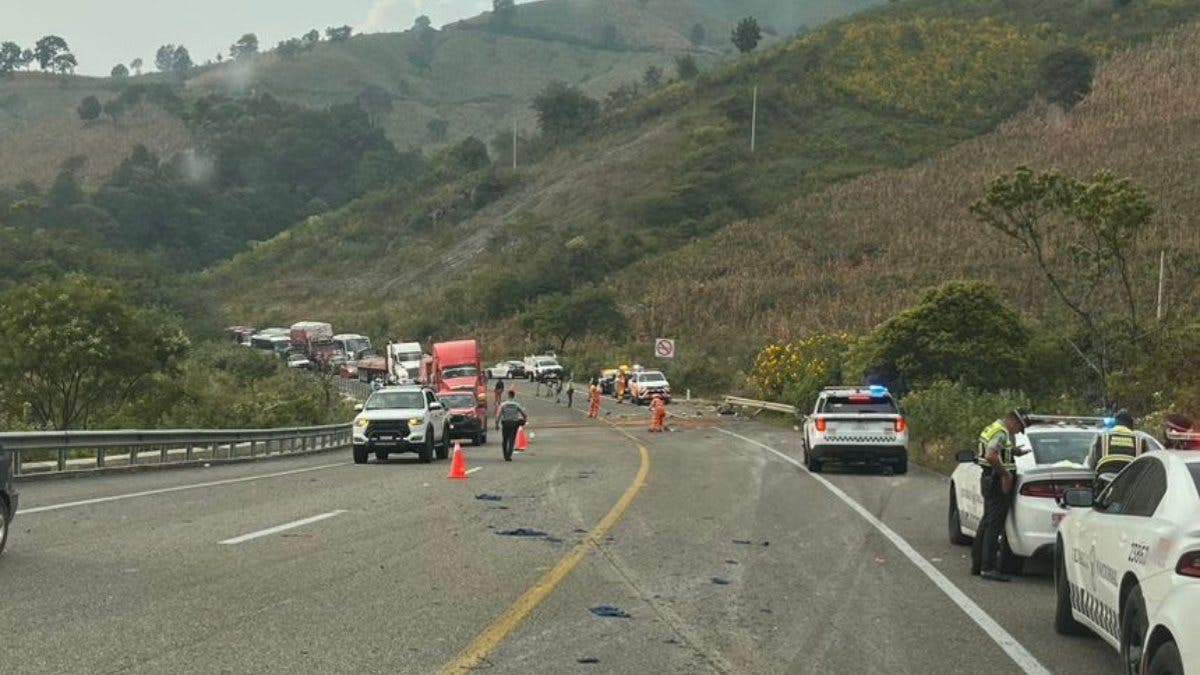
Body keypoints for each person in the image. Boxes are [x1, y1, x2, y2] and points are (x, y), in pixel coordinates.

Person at [971, 409, 1030, 582]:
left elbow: (996, 450)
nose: (1017, 432)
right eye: (1019, 428)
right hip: (996, 481)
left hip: (989, 478)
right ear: (1014, 421)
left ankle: (978, 564)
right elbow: (991, 455)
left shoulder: (994, 428)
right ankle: (988, 567)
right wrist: (1005, 475)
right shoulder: (1001, 433)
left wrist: (1014, 451)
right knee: (994, 525)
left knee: (987, 522)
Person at [497, 390, 528, 462]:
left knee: (505, 439)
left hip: (505, 423)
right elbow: (524, 414)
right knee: (512, 439)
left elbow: (498, 415)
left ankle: (505, 455)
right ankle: (509, 455)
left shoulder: (503, 404)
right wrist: (524, 420)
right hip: (514, 423)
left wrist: (496, 424)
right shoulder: (517, 405)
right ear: (514, 396)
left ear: (508, 395)